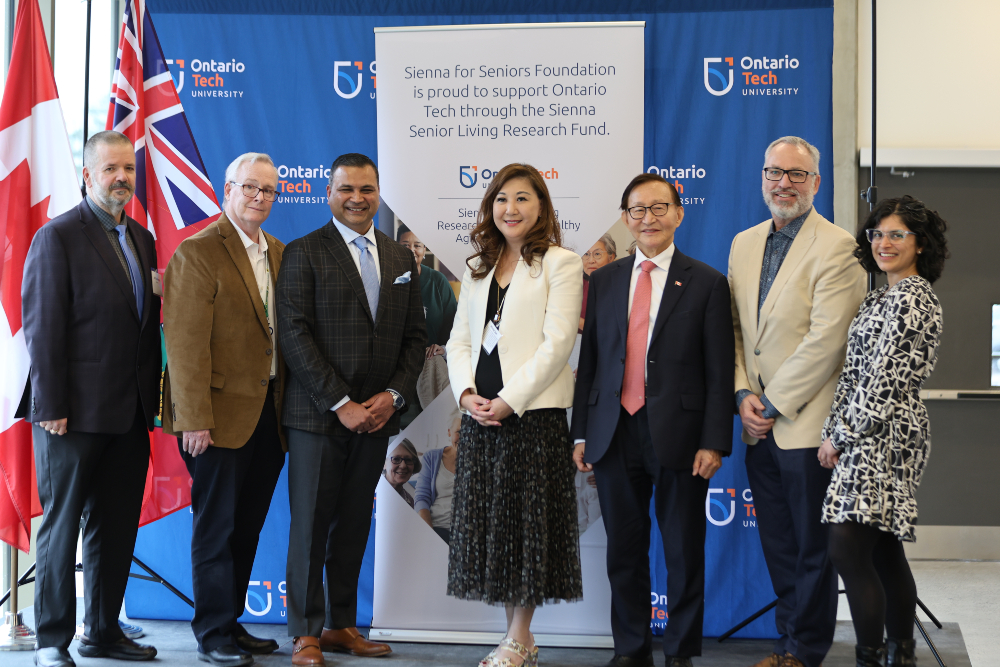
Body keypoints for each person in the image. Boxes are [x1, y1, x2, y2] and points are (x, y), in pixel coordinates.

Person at [571, 173, 734, 667]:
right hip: (614, 431)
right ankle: (631, 650)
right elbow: (593, 363)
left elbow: (719, 370)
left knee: (684, 552)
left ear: (679, 214)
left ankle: (681, 653)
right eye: (638, 210)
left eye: (659, 208)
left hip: (683, 438)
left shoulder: (706, 282)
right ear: (625, 219)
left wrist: (715, 441)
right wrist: (581, 431)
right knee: (623, 550)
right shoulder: (602, 281)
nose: (649, 218)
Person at [277, 153, 426, 666]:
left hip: (378, 418)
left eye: (366, 189)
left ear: (378, 191)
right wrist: (340, 403)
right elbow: (294, 336)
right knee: (311, 526)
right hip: (319, 417)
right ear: (329, 193)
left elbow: (414, 339)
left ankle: (341, 624)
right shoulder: (302, 252)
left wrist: (393, 397)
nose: (358, 198)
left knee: (353, 525)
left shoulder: (402, 259)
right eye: (347, 190)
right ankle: (305, 631)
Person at [19, 131, 160, 667]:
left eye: (128, 168)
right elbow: (43, 327)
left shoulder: (142, 240)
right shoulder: (58, 237)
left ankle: (101, 631)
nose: (122, 177)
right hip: (69, 416)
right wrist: (50, 405)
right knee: (61, 526)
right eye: (110, 169)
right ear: (88, 175)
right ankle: (52, 641)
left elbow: (143, 329)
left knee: (116, 525)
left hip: (128, 413)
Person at [728, 136, 866, 667]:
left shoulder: (838, 246)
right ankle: (786, 641)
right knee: (779, 545)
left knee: (813, 548)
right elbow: (736, 331)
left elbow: (829, 340)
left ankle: (806, 650)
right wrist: (742, 393)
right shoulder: (743, 243)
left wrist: (770, 404)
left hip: (805, 425)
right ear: (762, 176)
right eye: (774, 172)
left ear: (816, 183)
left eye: (795, 174)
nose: (783, 182)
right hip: (755, 422)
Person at [446, 163, 583, 667]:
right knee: (499, 533)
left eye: (523, 198)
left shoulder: (560, 263)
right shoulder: (478, 267)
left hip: (532, 418)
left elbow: (557, 345)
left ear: (541, 207)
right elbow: (459, 340)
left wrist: (509, 399)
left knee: (527, 531)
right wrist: (466, 396)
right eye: (503, 199)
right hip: (482, 421)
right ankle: (518, 641)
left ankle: (518, 638)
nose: (512, 208)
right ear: (491, 207)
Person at [161, 152, 286, 667]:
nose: (259, 198)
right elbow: (186, 345)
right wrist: (194, 419)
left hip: (269, 417)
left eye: (269, 191)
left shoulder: (278, 251)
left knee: (248, 526)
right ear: (227, 190)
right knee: (215, 529)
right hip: (213, 420)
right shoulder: (198, 251)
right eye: (250, 188)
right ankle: (212, 632)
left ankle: (230, 622)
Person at [818, 196, 948, 667]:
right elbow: (855, 373)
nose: (884, 243)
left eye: (897, 234)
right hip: (868, 431)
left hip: (886, 435)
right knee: (885, 548)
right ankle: (901, 655)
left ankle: (872, 657)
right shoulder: (883, 296)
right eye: (877, 233)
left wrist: (839, 436)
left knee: (848, 548)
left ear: (920, 244)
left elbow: (884, 382)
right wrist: (835, 428)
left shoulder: (913, 298)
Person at [397, 222, 458, 353]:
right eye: (405, 245)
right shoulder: (387, 279)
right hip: (395, 361)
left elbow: (454, 325)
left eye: (417, 245)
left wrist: (443, 348)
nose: (411, 249)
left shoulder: (438, 281)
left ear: (424, 250)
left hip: (431, 361)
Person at [414, 412, 462, 543]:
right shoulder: (432, 457)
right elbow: (421, 498)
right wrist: (430, 535)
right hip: (437, 529)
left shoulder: (480, 460)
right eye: (459, 432)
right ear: (449, 432)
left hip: (467, 533)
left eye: (469, 432)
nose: (464, 437)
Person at [580, 234, 617, 331]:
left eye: (597, 254)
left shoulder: (619, 284)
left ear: (611, 257)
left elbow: (609, 327)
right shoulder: (573, 282)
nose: (591, 261)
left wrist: (574, 321)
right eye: (586, 254)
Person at [384, 439, 422, 508]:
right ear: (383, 463)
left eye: (408, 460)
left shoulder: (409, 501)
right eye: (396, 459)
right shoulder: (370, 492)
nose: (403, 466)